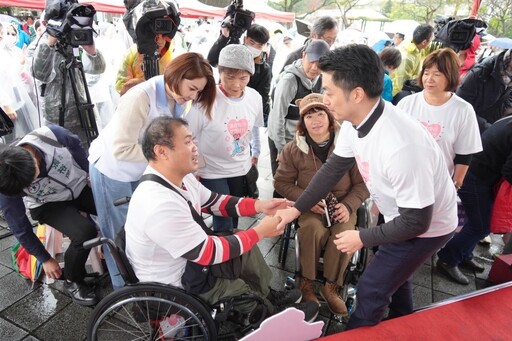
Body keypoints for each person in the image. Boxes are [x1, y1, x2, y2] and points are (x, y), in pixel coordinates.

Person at [275, 44, 458, 329]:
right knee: (394, 278)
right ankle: (402, 326)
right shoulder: (354, 120)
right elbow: (331, 169)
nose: (325, 100)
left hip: (426, 225)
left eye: (329, 92)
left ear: (356, 94)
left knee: (372, 287)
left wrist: (362, 237)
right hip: (399, 211)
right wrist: (294, 210)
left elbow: (417, 223)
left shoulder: (402, 146)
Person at [125, 116, 319, 322]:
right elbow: (207, 253)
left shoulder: (179, 179)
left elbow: (216, 202)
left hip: (190, 262)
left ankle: (268, 296)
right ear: (161, 151)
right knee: (234, 284)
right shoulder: (159, 204)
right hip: (177, 284)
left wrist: (260, 205)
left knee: (241, 240)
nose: (195, 147)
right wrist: (260, 231)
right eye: (188, 141)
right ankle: (268, 315)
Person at [88, 52, 216, 289]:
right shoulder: (140, 97)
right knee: (118, 238)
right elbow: (121, 149)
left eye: (198, 92)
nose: (193, 96)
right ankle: (124, 291)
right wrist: (169, 159)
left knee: (140, 233)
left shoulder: (176, 98)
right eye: (192, 88)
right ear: (175, 75)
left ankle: (147, 286)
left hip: (143, 170)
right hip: (113, 171)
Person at [274, 93, 368, 315]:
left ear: (329, 117)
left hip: (342, 204)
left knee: (344, 234)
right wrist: (305, 200)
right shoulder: (293, 150)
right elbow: (282, 182)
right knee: (311, 229)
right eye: (309, 116)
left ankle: (331, 286)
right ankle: (306, 283)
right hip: (311, 205)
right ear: (302, 123)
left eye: (320, 114)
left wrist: (348, 206)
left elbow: (363, 186)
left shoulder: (348, 145)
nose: (315, 120)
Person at [0, 125, 98, 306]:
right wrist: (44, 258)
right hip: (48, 204)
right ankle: (73, 279)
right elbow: (19, 226)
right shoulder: (8, 184)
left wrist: (90, 175)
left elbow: (77, 148)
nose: (31, 184)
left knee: (111, 207)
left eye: (33, 178)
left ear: (33, 160)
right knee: (85, 232)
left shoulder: (51, 135)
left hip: (79, 185)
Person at [186, 44, 263, 232]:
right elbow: (189, 137)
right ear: (219, 72)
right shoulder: (205, 100)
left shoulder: (254, 97)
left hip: (241, 168)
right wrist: (194, 170)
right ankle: (223, 258)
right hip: (212, 172)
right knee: (223, 220)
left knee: (235, 213)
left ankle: (231, 256)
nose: (236, 84)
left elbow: (254, 128)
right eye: (229, 76)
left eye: (243, 78)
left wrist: (257, 150)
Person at [437, 115, 512, 284]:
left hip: (478, 173)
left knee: (479, 222)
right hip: (476, 177)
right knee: (482, 225)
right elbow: (509, 172)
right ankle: (447, 259)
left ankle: (464, 254)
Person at [397, 48, 482, 191]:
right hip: (403, 183)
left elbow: (465, 154)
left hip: (438, 188)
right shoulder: (406, 103)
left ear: (450, 76)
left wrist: (456, 185)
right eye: (426, 73)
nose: (429, 79)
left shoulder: (463, 110)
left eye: (437, 74)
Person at [32, 12, 106, 145]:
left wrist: (91, 50)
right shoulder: (38, 46)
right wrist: (51, 42)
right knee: (63, 157)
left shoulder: (74, 45)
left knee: (87, 155)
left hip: (82, 115)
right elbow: (41, 74)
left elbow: (98, 69)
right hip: (57, 118)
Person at [268, 39, 330, 178]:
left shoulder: (321, 79)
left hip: (302, 139)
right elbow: (277, 116)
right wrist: (281, 148)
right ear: (303, 55)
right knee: (282, 182)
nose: (315, 67)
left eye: (320, 63)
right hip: (282, 138)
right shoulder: (289, 81)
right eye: (312, 61)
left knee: (301, 181)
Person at [208, 24, 272, 126]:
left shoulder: (264, 68)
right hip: (222, 105)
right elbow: (212, 59)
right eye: (252, 43)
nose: (236, 84)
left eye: (259, 45)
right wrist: (224, 37)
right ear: (245, 39)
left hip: (244, 112)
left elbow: (263, 95)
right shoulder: (231, 52)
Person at [456, 48, 512, 133]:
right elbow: (459, 106)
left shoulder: (509, 75)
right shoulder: (481, 72)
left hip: (489, 134)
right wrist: (489, 129)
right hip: (466, 131)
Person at [391, 24, 435, 103]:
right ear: (424, 42)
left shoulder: (416, 45)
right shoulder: (406, 57)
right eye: (431, 41)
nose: (431, 43)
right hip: (397, 94)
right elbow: (402, 84)